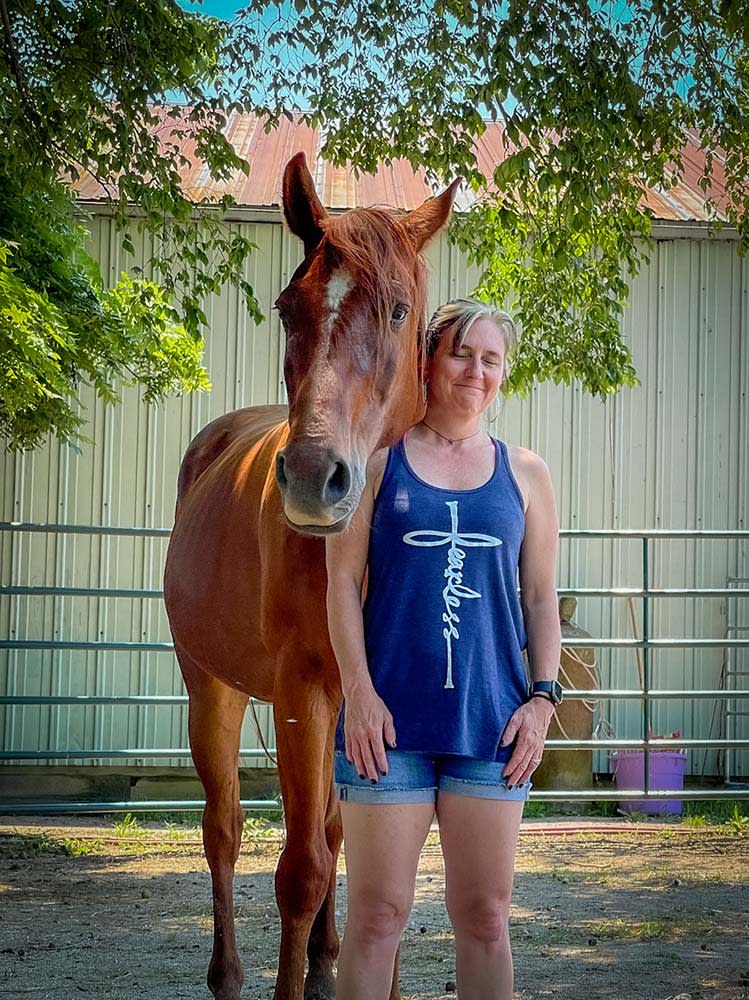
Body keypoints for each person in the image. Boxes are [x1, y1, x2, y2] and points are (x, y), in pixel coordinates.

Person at [325, 298, 561, 1000]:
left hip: (490, 728)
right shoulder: (376, 463)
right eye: (461, 353)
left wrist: (542, 703)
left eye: (490, 359)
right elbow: (339, 583)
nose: (475, 371)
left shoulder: (525, 474)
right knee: (375, 918)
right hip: (386, 730)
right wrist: (358, 695)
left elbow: (541, 599)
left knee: (485, 918)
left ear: (503, 375)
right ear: (427, 361)